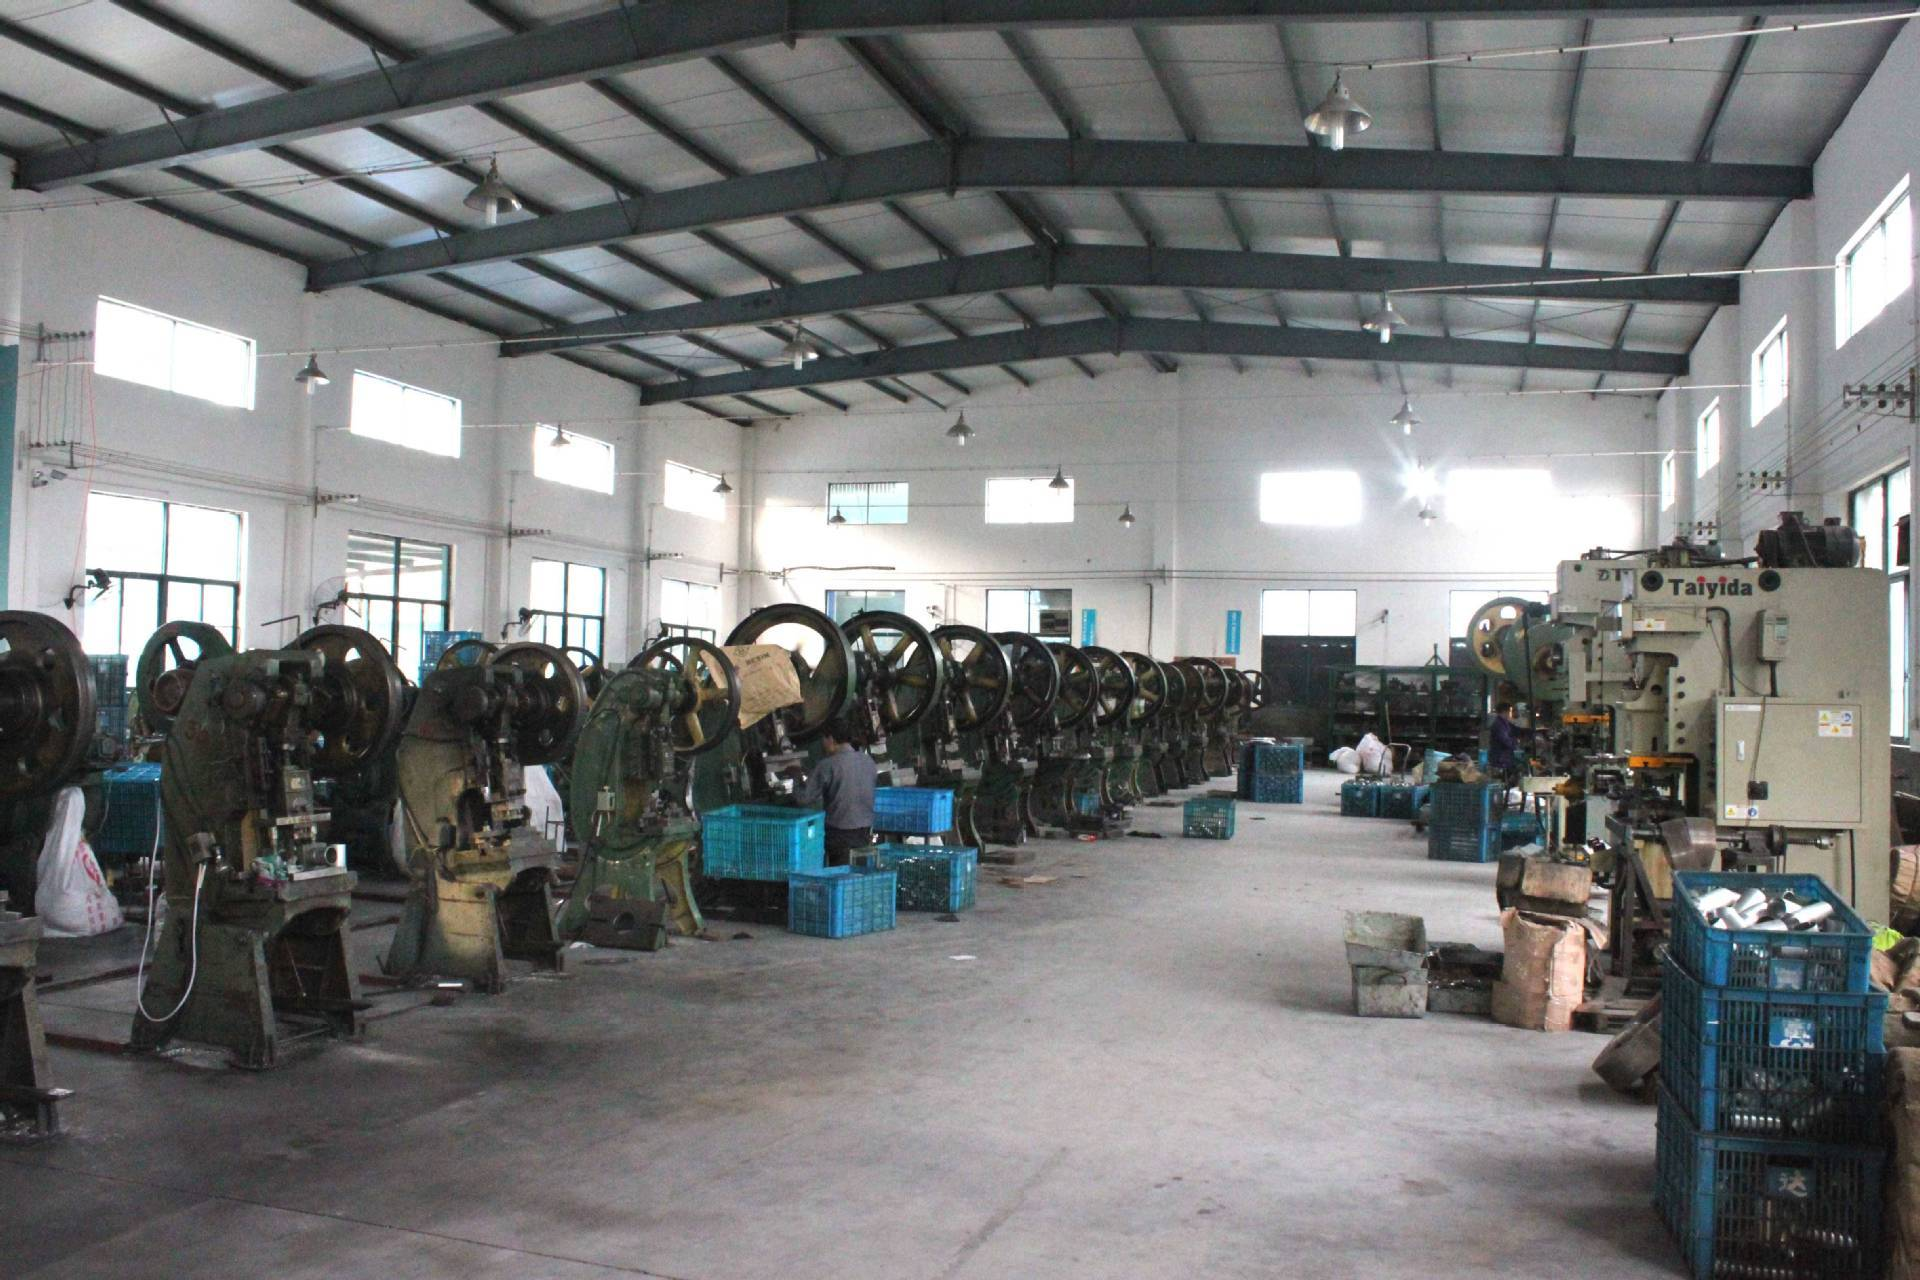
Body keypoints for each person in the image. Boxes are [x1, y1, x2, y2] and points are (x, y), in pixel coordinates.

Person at [799, 717, 877, 866]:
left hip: (839, 834)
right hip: (865, 832)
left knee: (840, 873)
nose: (823, 743)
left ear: (831, 739)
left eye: (823, 739)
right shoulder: (868, 761)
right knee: (859, 872)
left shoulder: (827, 764)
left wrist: (796, 777)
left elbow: (804, 798)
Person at [1487, 701, 1528, 776]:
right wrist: (1517, 742)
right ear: (1504, 711)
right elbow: (1506, 741)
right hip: (1500, 760)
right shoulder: (1499, 725)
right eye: (1510, 711)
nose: (1510, 714)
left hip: (1505, 758)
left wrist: (1529, 733)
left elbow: (1516, 730)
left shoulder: (1504, 723)